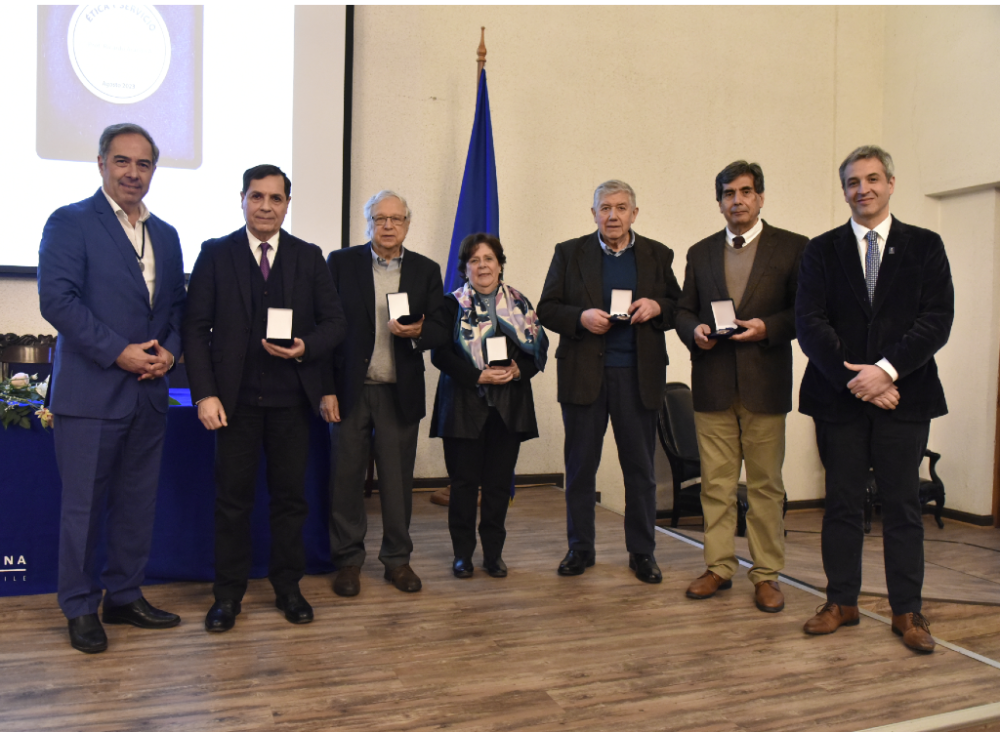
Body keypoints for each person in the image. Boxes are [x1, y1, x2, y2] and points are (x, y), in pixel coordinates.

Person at [796, 145, 954, 652]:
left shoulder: (925, 246)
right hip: (837, 399)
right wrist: (855, 381)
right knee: (841, 504)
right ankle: (841, 601)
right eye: (852, 182)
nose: (862, 189)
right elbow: (809, 322)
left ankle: (908, 611)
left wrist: (884, 372)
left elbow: (936, 319)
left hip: (904, 397)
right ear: (843, 190)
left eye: (871, 179)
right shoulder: (821, 250)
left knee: (903, 506)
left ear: (889, 183)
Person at [38, 123, 187, 653]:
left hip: (149, 391)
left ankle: (123, 596)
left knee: (135, 503)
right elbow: (57, 301)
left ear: (153, 170)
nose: (132, 172)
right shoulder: (70, 222)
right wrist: (117, 351)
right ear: (101, 164)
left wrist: (169, 349)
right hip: (91, 392)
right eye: (122, 161)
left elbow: (174, 307)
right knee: (83, 507)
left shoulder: (166, 234)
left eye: (143, 164)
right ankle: (79, 606)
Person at [183, 164, 346, 632]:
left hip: (292, 403)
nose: (266, 206)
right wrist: (204, 395)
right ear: (242, 199)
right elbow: (195, 330)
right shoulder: (215, 254)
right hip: (232, 405)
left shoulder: (308, 256)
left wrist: (305, 347)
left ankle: (288, 589)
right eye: (257, 197)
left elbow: (334, 324)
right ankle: (227, 596)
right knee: (232, 503)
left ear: (287, 205)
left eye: (276, 198)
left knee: (290, 501)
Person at [675, 161, 808, 613]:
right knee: (716, 484)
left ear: (761, 197)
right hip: (712, 383)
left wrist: (766, 328)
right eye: (729, 193)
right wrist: (693, 330)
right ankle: (718, 567)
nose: (738, 200)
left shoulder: (792, 249)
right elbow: (682, 309)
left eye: (746, 192)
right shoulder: (699, 252)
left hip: (764, 385)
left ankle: (767, 574)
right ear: (719, 203)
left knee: (766, 485)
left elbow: (802, 314)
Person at [537, 180, 681, 583]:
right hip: (585, 375)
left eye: (621, 208)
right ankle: (580, 549)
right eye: (605, 208)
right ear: (594, 213)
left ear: (634, 213)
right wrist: (580, 318)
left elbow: (678, 307)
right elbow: (547, 308)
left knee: (640, 470)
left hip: (638, 376)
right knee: (581, 468)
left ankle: (642, 552)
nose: (613, 216)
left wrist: (657, 306)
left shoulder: (657, 254)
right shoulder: (569, 253)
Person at [324, 191, 445, 596]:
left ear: (408, 224)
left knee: (396, 484)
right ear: (368, 223)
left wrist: (419, 333)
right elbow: (327, 328)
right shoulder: (340, 263)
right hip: (350, 392)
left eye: (396, 219)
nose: (388, 225)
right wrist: (326, 389)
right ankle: (347, 561)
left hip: (399, 393)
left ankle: (397, 561)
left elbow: (441, 327)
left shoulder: (427, 270)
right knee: (345, 482)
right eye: (380, 218)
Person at [425, 233, 548, 579]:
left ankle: (493, 554)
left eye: (489, 259)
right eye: (474, 260)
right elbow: (440, 355)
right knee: (463, 485)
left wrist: (517, 370)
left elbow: (537, 350)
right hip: (464, 403)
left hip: (508, 406)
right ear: (465, 268)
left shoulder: (519, 303)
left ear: (500, 264)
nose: (482, 266)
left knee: (497, 484)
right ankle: (462, 555)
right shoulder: (451, 305)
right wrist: (476, 378)